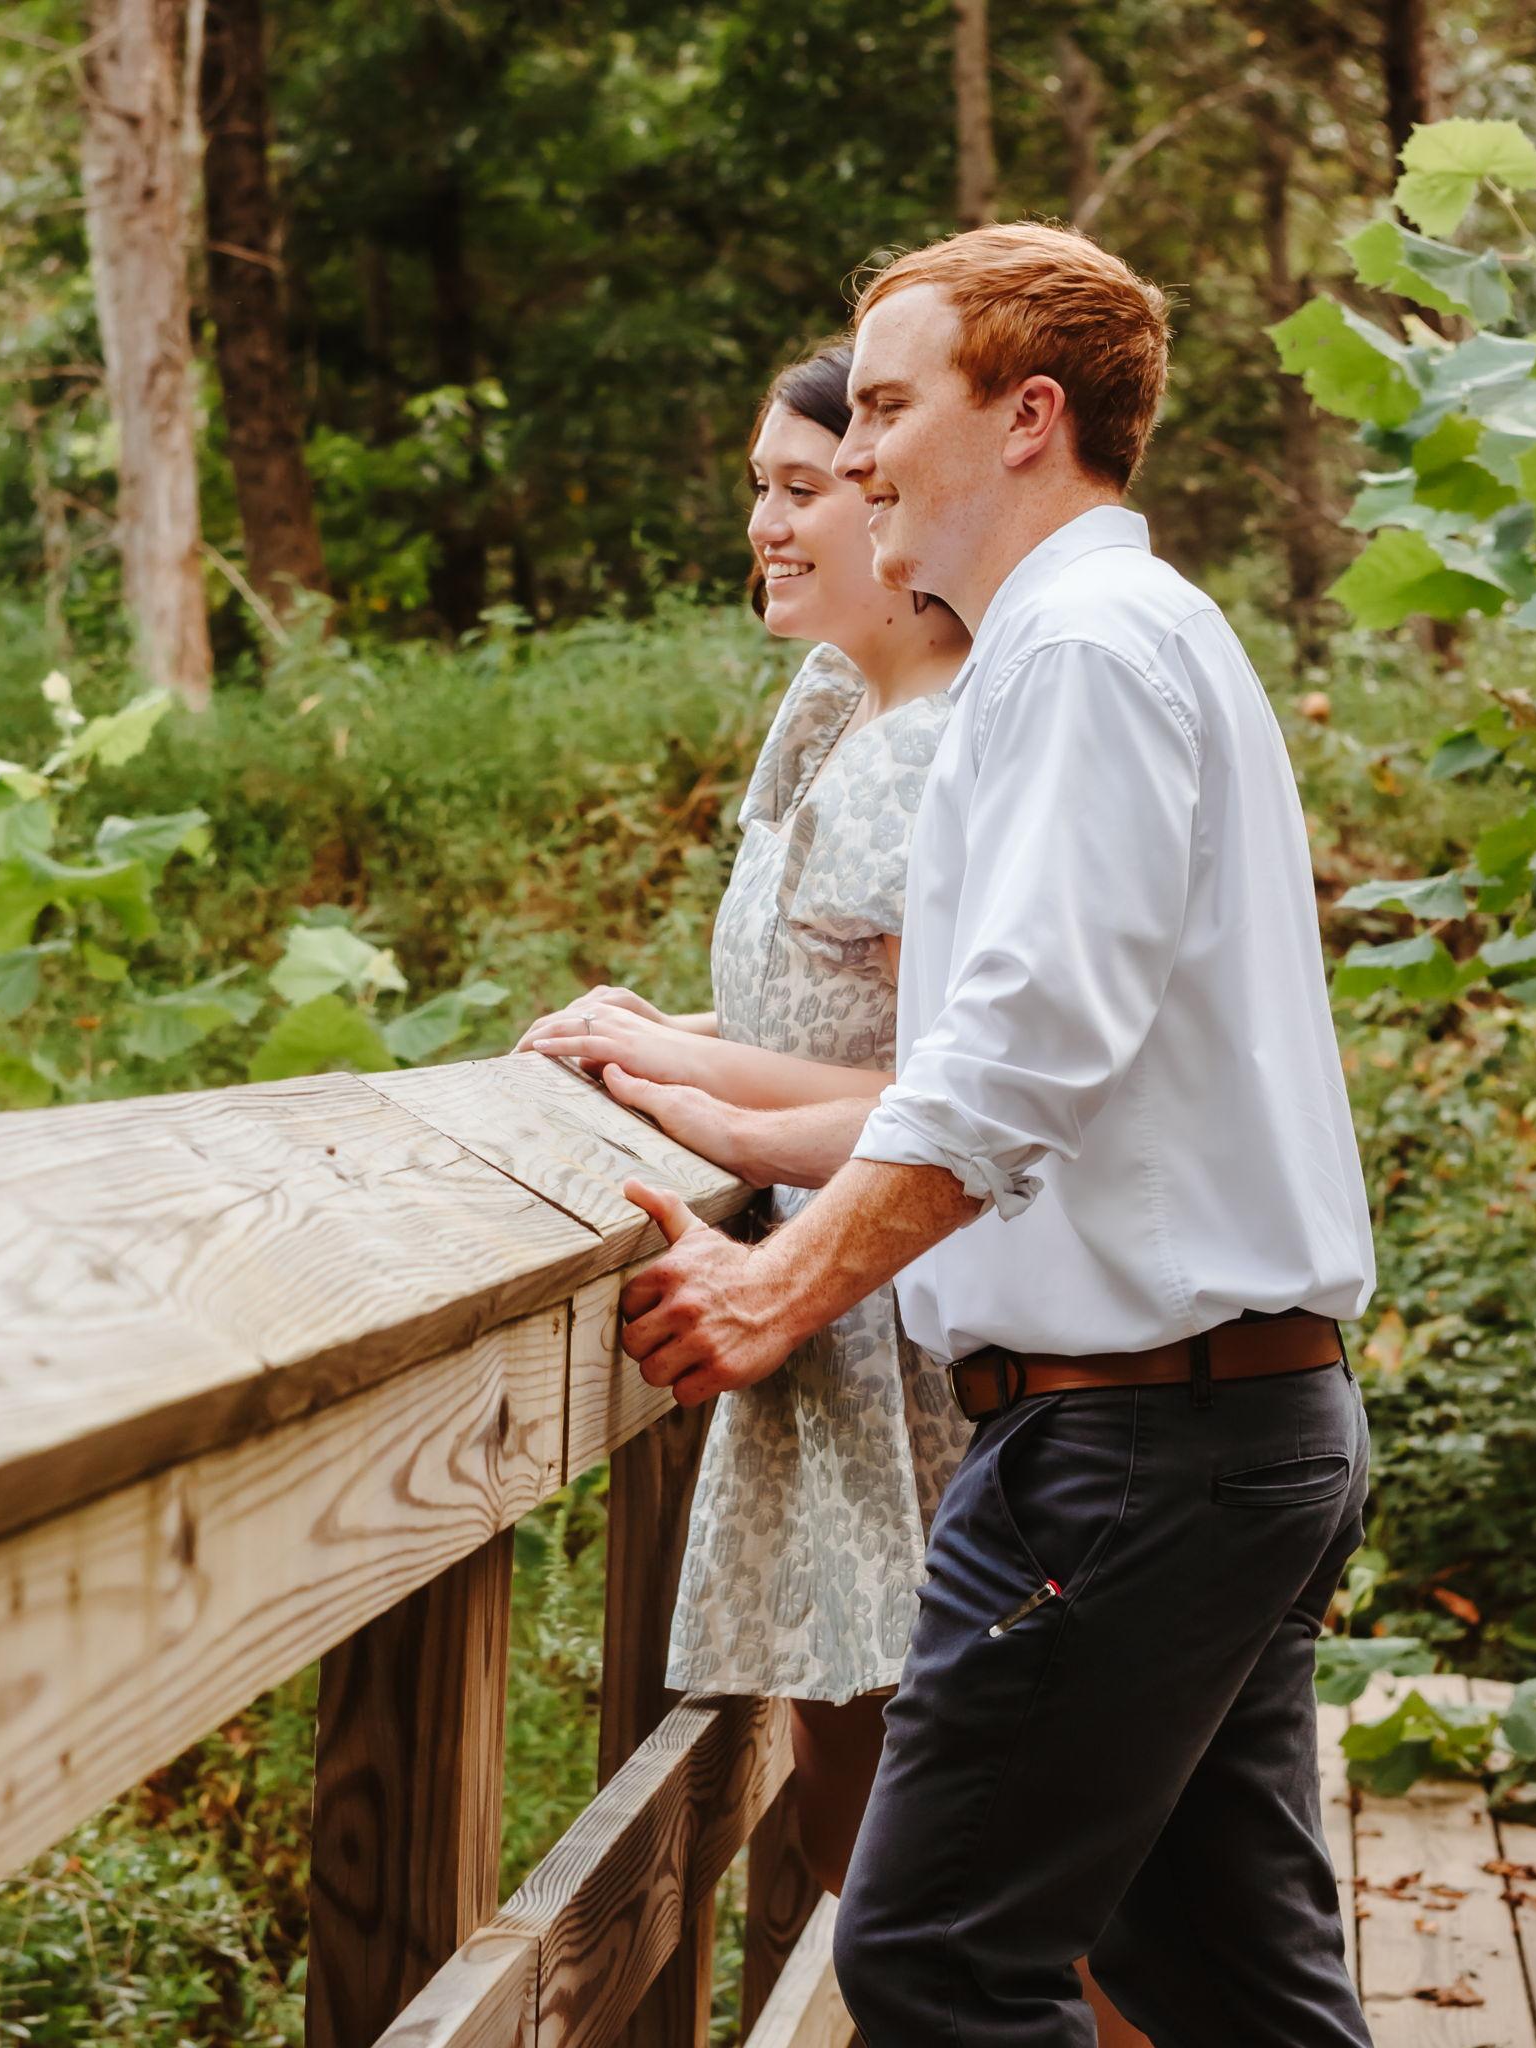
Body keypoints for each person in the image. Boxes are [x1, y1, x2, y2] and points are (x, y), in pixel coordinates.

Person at [605, 221, 1378, 2047]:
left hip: (1133, 1450)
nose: (854, 452)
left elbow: (1018, 1053)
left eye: (882, 406)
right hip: (1216, 1429)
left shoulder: (1078, 654)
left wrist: (782, 1288)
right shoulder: (1129, 633)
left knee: (937, 1963)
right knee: (1228, 1988)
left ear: (1027, 416)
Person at [515, 339, 973, 1897]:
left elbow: (937, 1093)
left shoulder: (932, 753)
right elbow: (820, 1013)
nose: (765, 527)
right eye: (757, 493)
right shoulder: (836, 704)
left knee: (944, 1851)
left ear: (894, 499)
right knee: (866, 1843)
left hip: (894, 1314)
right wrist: (681, 1036)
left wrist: (675, 1081)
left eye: (802, 490)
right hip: (819, 1339)